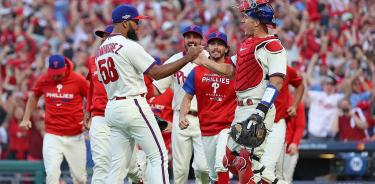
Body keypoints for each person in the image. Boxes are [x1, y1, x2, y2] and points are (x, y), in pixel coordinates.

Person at [95, 4, 204, 184]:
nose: (138, 26)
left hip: (113, 107)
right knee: (158, 156)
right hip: (132, 103)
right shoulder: (128, 45)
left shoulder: (101, 49)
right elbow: (156, 73)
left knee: (117, 165)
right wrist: (187, 58)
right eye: (135, 22)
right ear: (124, 23)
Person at [194, 1, 287, 183]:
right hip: (241, 109)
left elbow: (276, 82)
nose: (243, 21)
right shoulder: (246, 44)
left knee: (246, 164)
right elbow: (231, 71)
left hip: (257, 107)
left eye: (247, 17)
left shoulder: (273, 46)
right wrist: (204, 61)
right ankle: (273, 180)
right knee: (229, 160)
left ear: (257, 21)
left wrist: (260, 112)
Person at [85, 25, 144, 184]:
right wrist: (87, 111)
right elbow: (91, 86)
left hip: (122, 114)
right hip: (100, 116)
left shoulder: (126, 57)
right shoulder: (93, 60)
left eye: (108, 36)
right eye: (102, 37)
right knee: (102, 162)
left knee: (130, 166)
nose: (104, 39)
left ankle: (138, 177)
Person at [152, 25, 209, 184]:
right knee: (179, 170)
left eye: (195, 36)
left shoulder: (210, 58)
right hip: (179, 116)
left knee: (203, 168)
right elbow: (156, 88)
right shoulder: (175, 60)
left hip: (204, 118)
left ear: (201, 38)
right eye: (188, 36)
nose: (191, 40)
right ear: (183, 39)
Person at [20, 54, 88, 184]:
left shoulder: (77, 79)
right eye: (53, 73)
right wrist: (26, 118)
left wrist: (88, 115)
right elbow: (34, 96)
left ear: (65, 67)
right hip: (52, 135)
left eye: (59, 73)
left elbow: (90, 97)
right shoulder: (45, 79)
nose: (56, 76)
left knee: (80, 178)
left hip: (75, 135)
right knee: (51, 174)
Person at [179, 31, 236, 184]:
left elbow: (230, 73)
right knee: (212, 173)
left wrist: (203, 61)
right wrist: (182, 116)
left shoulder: (234, 66)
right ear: (207, 47)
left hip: (228, 126)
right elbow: (187, 97)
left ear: (226, 48)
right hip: (206, 127)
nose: (215, 48)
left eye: (219, 44)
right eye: (212, 44)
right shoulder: (197, 71)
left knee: (221, 165)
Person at [261, 66, 304, 182]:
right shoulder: (256, 66)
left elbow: (300, 125)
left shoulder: (286, 69)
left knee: (271, 171)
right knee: (276, 173)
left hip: (279, 130)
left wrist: (295, 142)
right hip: (260, 125)